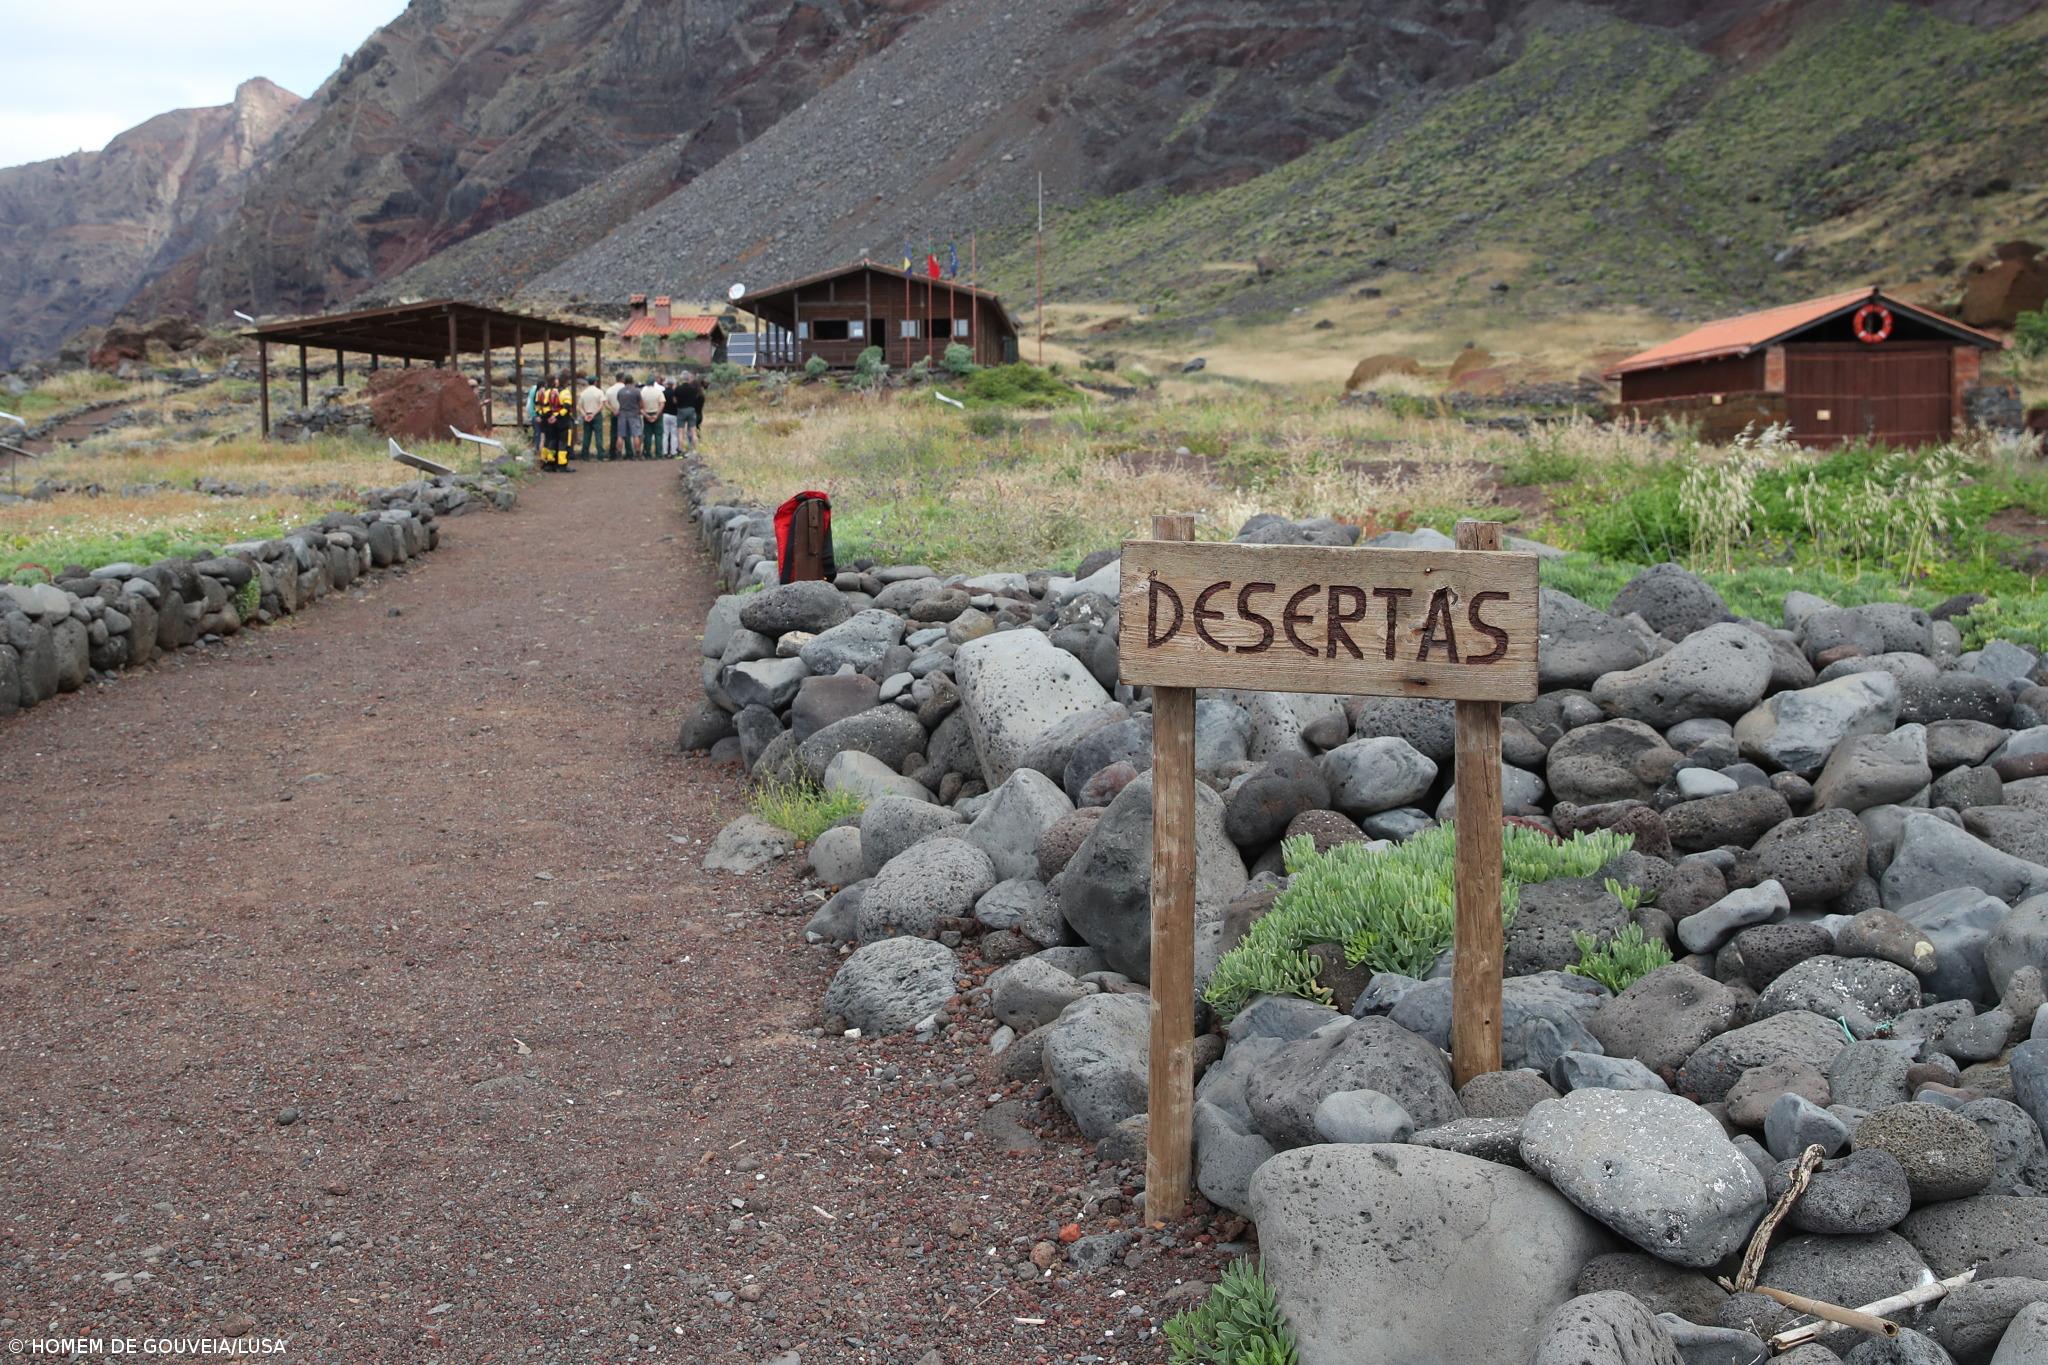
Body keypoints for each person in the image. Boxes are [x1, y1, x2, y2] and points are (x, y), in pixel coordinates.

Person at [537, 372, 575, 471]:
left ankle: (549, 462)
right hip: (563, 421)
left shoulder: (549, 392)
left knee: (551, 442)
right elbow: (567, 407)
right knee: (563, 443)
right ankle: (562, 465)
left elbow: (544, 406)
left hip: (550, 420)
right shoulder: (565, 392)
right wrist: (556, 416)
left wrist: (547, 416)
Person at [672, 370, 705, 454]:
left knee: (680, 432)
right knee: (693, 432)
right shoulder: (693, 389)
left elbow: (675, 401)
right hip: (691, 410)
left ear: (682, 378)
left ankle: (681, 450)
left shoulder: (678, 389)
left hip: (681, 410)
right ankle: (695, 450)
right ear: (688, 378)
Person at [577, 374, 607, 463]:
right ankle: (600, 455)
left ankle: (585, 455)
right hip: (596, 415)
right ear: (595, 382)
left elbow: (579, 406)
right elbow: (601, 405)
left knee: (586, 436)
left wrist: (585, 415)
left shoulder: (583, 393)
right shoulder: (599, 392)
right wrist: (593, 414)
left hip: (587, 414)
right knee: (598, 436)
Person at [614, 373, 644, 459]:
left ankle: (619, 454)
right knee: (636, 435)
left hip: (622, 414)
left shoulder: (620, 391)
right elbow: (641, 404)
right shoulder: (636, 391)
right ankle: (638, 453)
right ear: (632, 381)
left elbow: (619, 401)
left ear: (624, 381)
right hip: (634, 414)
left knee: (620, 435)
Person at [639, 375, 666, 460]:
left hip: (646, 413)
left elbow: (639, 406)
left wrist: (646, 415)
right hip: (657, 413)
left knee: (647, 435)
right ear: (654, 383)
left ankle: (647, 453)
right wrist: (657, 415)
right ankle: (658, 453)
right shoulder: (658, 392)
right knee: (658, 434)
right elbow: (662, 404)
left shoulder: (642, 392)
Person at [604, 372, 626, 459]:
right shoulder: (625, 389)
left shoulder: (610, 390)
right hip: (624, 413)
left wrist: (613, 410)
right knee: (625, 434)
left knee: (614, 433)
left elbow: (606, 403)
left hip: (614, 413)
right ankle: (628, 452)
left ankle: (612, 453)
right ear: (623, 379)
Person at [659, 375, 680, 457]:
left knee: (665, 434)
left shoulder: (663, 392)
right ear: (673, 384)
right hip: (674, 415)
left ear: (667, 383)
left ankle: (664, 452)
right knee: (674, 434)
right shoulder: (675, 393)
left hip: (665, 415)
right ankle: (673, 451)